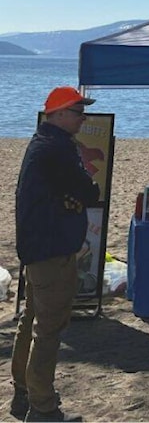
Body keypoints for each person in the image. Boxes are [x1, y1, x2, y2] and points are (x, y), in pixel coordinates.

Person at [11, 86, 100, 422]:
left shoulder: (44, 143)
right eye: (78, 111)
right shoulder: (56, 149)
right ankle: (42, 407)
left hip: (37, 248)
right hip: (52, 250)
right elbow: (88, 190)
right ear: (60, 114)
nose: (83, 117)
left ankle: (23, 392)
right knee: (49, 328)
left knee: (31, 319)